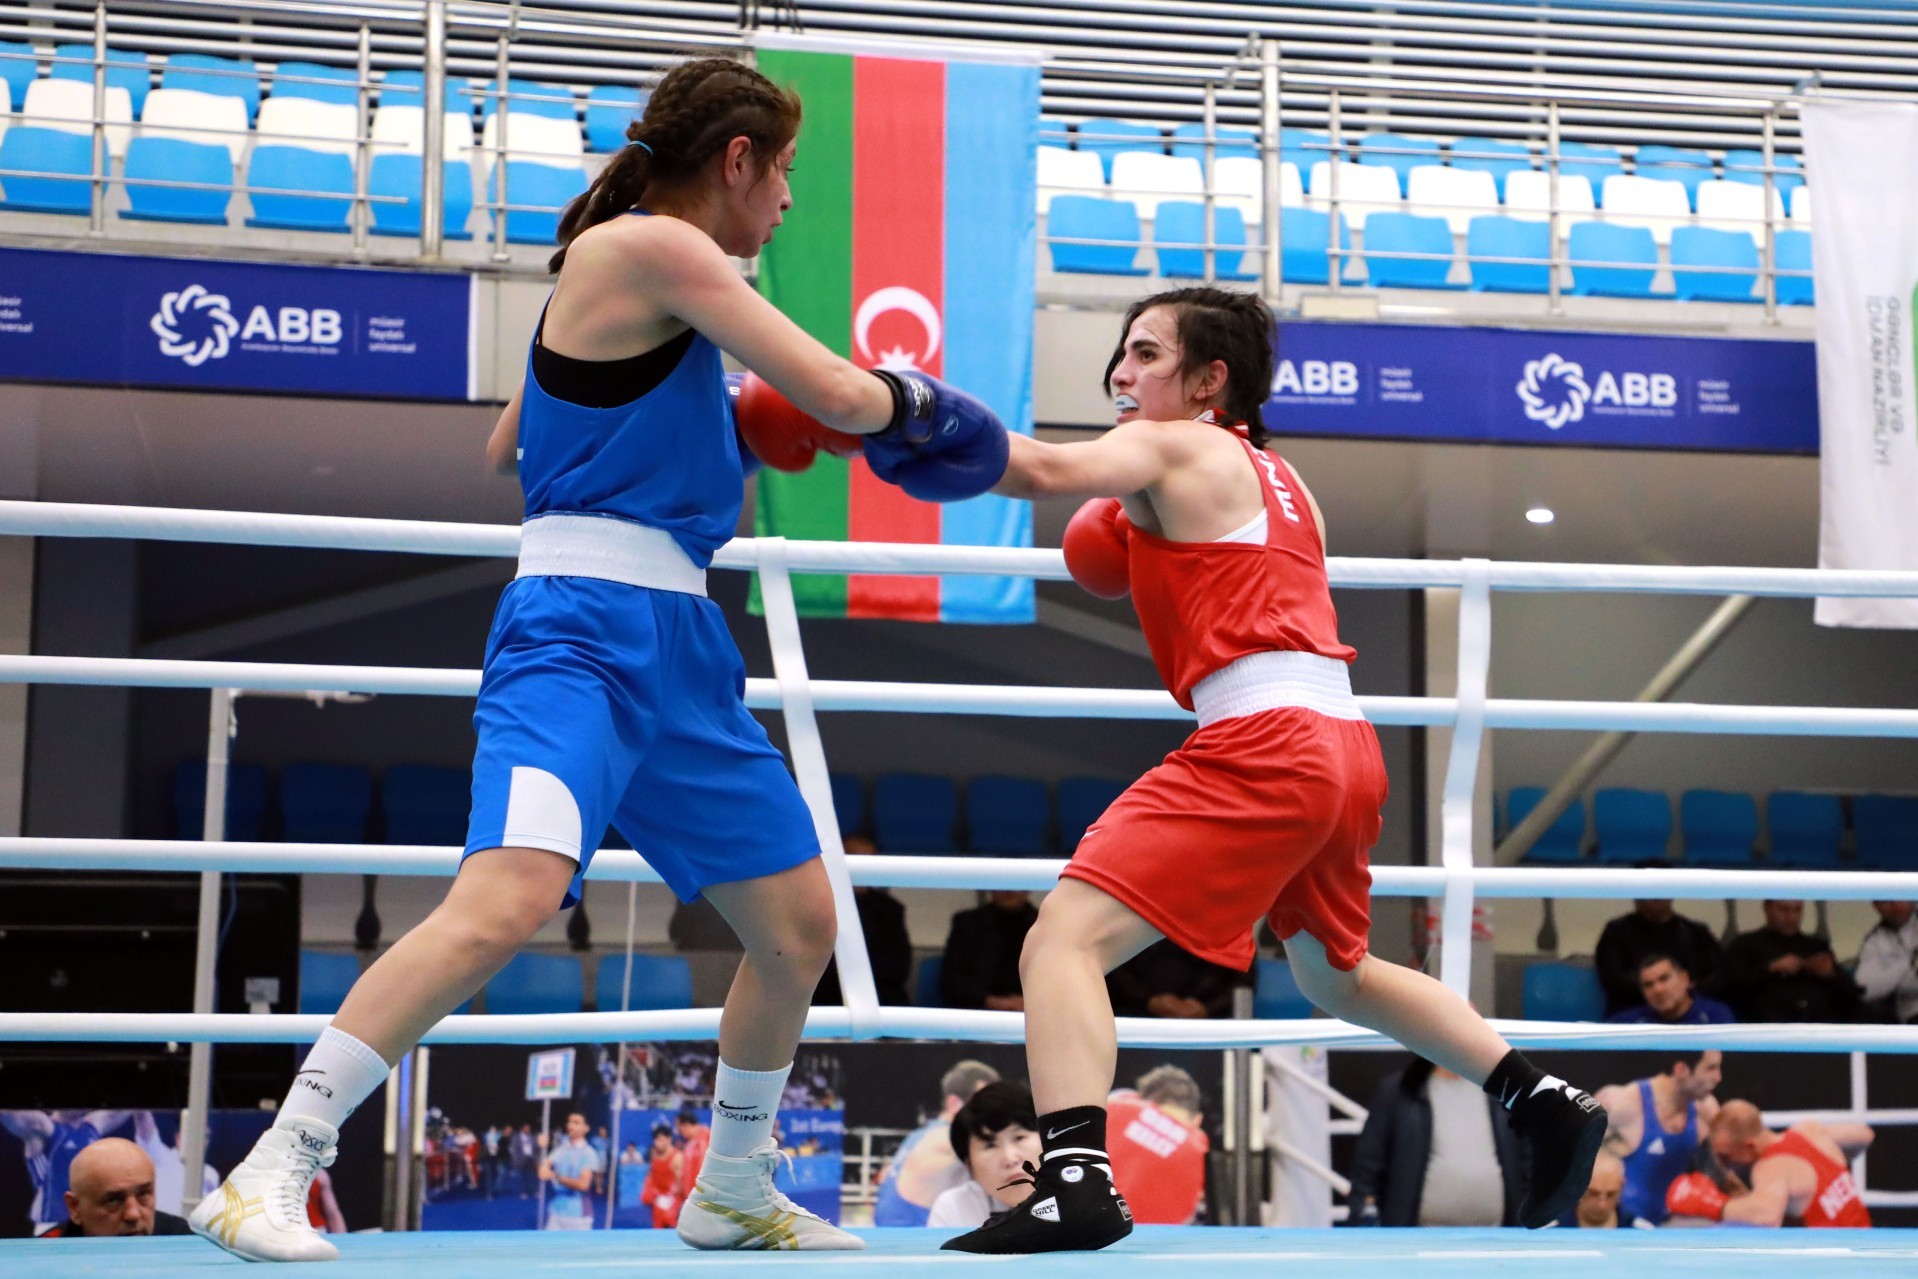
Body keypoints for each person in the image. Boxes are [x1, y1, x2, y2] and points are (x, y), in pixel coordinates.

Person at [188, 54, 1006, 1263]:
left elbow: (510, 438)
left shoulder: (634, 274)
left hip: (678, 641)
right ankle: (266, 1171)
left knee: (795, 925)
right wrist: (930, 413)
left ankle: (729, 1188)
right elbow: (839, 388)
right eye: (782, 173)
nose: (785, 202)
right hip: (576, 632)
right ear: (735, 161)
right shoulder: (651, 246)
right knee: (505, 900)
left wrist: (707, 406)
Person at [942, 288, 1604, 1255]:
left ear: (1210, 382)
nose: (1121, 375)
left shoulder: (1178, 445)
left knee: (1062, 942)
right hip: (1342, 741)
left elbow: (1040, 465)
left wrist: (896, 409)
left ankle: (1075, 1180)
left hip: (1265, 740)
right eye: (1120, 355)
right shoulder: (1283, 479)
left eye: (1146, 354)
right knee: (1338, 977)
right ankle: (1536, 1095)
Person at [1344, 1057, 1528, 1227]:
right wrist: (1362, 1214)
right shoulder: (1399, 1090)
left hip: (1500, 1238)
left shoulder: (1505, 1092)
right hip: (1416, 1240)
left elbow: (1528, 1159)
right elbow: (1368, 1163)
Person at [1667, 1101, 1872, 1227]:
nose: (1726, 1166)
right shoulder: (1809, 1130)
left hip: (1835, 1265)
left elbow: (1766, 1216)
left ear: (1750, 1146)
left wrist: (1711, 1204)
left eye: (1727, 1157)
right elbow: (1864, 1135)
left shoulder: (1769, 1168)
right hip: (1869, 1245)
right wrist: (1834, 1169)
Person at [1594, 1050, 1722, 1225]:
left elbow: (1727, 1173)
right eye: (1711, 1068)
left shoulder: (1707, 1110)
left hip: (1670, 1228)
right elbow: (1572, 1153)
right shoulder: (1621, 1104)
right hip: (1624, 1228)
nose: (1718, 1077)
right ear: (1681, 1069)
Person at [872, 1060, 1001, 1226]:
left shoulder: (922, 1134)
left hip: (896, 1235)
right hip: (913, 1242)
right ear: (954, 1103)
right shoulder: (949, 1140)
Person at [814, 834, 914, 1007]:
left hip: (879, 996)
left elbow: (898, 968)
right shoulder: (813, 903)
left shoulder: (890, 910)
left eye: (868, 861)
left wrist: (853, 971)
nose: (860, 871)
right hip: (822, 996)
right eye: (855, 860)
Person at [1722, 899, 1862, 1022]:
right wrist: (1771, 969)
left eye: (1797, 910)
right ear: (1767, 908)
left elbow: (1851, 993)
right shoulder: (1745, 945)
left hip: (1817, 1026)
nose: (1791, 917)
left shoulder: (1816, 946)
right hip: (1766, 1027)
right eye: (1784, 910)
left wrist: (1830, 974)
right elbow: (1728, 987)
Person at [927, 1083, 1044, 1229]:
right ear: (968, 1165)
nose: (1010, 1159)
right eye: (990, 1145)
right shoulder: (954, 1209)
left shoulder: (1077, 1194)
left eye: (1019, 1137)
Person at [1105, 1066, 1210, 1225]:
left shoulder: (1113, 1105)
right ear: (1198, 1119)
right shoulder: (1197, 1146)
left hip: (1083, 1227)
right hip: (1159, 1242)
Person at [1594, 892, 1725, 1017]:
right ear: (1635, 895)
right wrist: (1660, 992)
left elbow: (1720, 976)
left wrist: (1682, 993)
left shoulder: (1696, 932)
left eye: (1661, 889)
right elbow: (1613, 979)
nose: (1656, 896)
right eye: (1648, 891)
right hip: (1633, 1016)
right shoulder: (1616, 932)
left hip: (1693, 1014)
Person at [1, 1109, 129, 1235]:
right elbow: (10, 1115)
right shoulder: (42, 1128)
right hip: (52, 1223)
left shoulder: (92, 1126)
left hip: (89, 1223)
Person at [37, 1138, 192, 1238]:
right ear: (75, 1208)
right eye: (113, 1200)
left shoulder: (180, 1238)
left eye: (143, 1194)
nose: (133, 1214)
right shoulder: (44, 1255)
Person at [941, 891, 1039, 1011]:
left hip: (1033, 1012)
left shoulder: (1046, 924)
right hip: (976, 1010)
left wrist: (1030, 1002)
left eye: (1015, 883)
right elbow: (952, 979)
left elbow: (1055, 979)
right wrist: (988, 1001)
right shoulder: (968, 924)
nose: (1009, 890)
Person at [1105, 939, 1243, 1019]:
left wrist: (1207, 1009)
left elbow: (1243, 982)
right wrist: (1148, 1001)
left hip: (1209, 1024)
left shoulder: (1227, 921)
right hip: (1131, 1016)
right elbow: (1111, 967)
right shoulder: (1135, 914)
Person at [1604, 954, 1735, 1026]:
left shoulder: (1715, 1016)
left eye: (1664, 979)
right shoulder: (1628, 1023)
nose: (1658, 990)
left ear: (1685, 979)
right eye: (1648, 985)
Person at [1856, 899, 1918, 1023]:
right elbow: (1865, 989)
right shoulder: (1875, 941)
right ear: (1875, 906)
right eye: (1885, 901)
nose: (1895, 905)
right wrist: (1909, 963)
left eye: (1900, 896)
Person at [540, 1112, 602, 1231]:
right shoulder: (561, 1149)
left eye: (576, 1123)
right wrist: (541, 1149)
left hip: (578, 1214)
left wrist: (556, 1176)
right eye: (569, 1122)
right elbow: (542, 1172)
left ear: (586, 1128)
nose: (570, 1126)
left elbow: (583, 1185)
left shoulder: (589, 1153)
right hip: (556, 1211)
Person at [1558, 1152, 1652, 1230]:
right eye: (1593, 1194)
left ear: (1622, 1187)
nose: (1602, 1204)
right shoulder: (1549, 1233)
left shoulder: (1642, 1233)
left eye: (1611, 1195)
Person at [640, 1123, 686, 1229]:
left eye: (660, 1140)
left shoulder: (677, 1157)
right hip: (658, 1201)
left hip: (673, 1203)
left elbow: (680, 1184)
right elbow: (652, 1176)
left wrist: (671, 1199)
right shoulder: (654, 1154)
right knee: (658, 1232)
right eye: (656, 1140)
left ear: (669, 1139)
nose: (657, 1143)